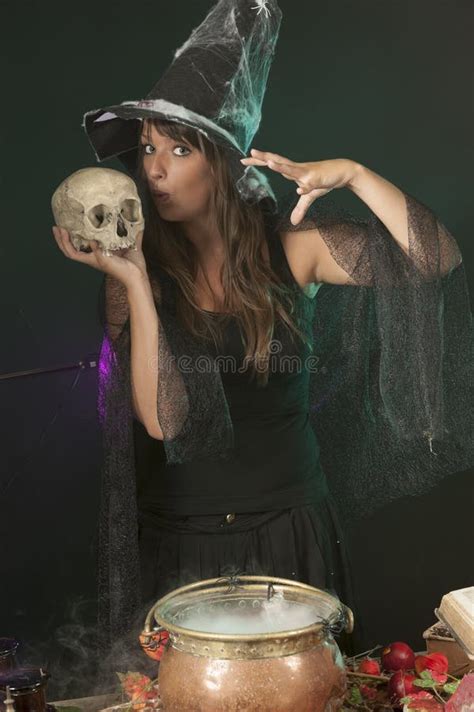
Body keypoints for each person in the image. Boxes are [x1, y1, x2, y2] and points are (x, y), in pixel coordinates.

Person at [54, 0, 474, 659]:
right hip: (182, 544)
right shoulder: (134, 273)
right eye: (147, 149)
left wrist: (356, 175)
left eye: (179, 148)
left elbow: (436, 258)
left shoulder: (295, 249)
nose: (154, 169)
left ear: (222, 162)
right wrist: (135, 282)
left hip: (290, 536)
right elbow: (168, 423)